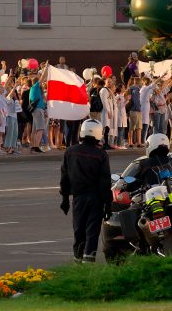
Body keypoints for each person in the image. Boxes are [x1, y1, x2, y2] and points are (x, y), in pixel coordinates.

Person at [59, 119, 112, 263]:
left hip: (78, 198)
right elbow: (105, 182)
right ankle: (89, 261)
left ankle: (77, 259)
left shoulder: (70, 152)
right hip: (96, 200)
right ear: (98, 134)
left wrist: (64, 199)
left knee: (79, 230)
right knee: (92, 232)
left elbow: (65, 177)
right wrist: (108, 204)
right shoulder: (101, 155)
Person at [29, 62, 49, 153]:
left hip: (37, 110)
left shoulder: (34, 90)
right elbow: (43, 77)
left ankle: (33, 146)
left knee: (35, 129)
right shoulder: (35, 86)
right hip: (38, 110)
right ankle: (36, 146)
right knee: (41, 128)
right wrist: (46, 68)